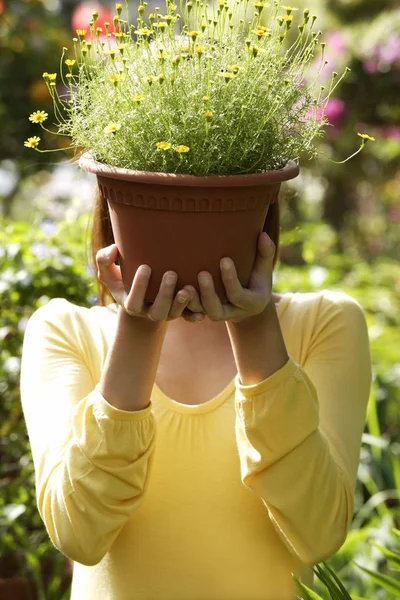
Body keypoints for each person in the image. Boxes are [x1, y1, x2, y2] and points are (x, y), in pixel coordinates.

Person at [20, 194, 371, 600]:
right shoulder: (65, 332)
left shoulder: (323, 324)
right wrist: (139, 331)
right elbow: (78, 534)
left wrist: (255, 327)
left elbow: (320, 533)